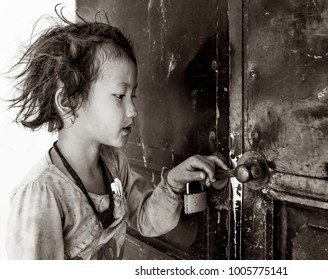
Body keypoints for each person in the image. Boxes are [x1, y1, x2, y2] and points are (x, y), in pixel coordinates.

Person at [5, 11, 228, 259]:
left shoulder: (114, 164)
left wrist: (173, 184)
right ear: (68, 101)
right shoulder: (41, 194)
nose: (133, 111)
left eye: (133, 96)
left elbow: (145, 219)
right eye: (120, 96)